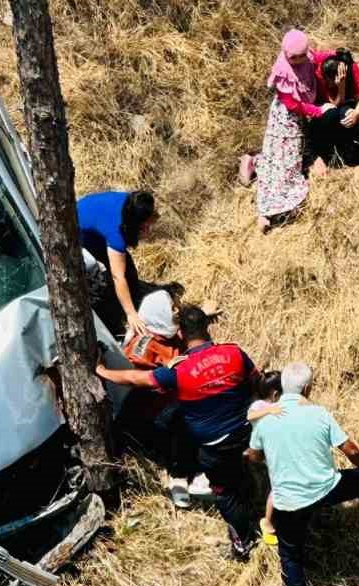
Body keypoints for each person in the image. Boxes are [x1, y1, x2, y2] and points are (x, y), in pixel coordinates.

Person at [97, 305, 260, 557]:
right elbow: (255, 380)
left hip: (213, 447)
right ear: (207, 327)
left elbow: (136, 379)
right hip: (246, 434)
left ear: (181, 334)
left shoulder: (180, 371)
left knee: (226, 495)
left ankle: (243, 542)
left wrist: (102, 371)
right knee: (240, 476)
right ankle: (250, 498)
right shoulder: (234, 352)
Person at [245, 363, 359, 586]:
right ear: (307, 388)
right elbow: (349, 449)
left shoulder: (265, 420)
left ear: (282, 387)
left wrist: (269, 456)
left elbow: (253, 456)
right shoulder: (318, 413)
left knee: (290, 552)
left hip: (288, 502)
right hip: (327, 489)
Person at [240, 29, 329, 233]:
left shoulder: (306, 56)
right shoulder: (283, 72)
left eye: (301, 55)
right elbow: (293, 105)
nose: (298, 60)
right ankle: (265, 212)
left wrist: (338, 56)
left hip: (297, 121)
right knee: (281, 164)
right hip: (286, 121)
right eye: (293, 57)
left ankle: (253, 162)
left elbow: (317, 57)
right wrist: (317, 111)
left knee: (284, 161)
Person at [77, 188, 158, 336]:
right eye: (144, 226)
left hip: (90, 218)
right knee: (118, 275)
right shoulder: (115, 234)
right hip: (80, 235)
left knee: (128, 269)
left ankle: (134, 296)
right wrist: (131, 314)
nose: (148, 230)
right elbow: (118, 277)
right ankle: (118, 316)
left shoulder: (133, 202)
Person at [305, 46, 359, 180]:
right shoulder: (319, 71)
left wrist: (356, 113)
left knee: (347, 115)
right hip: (325, 108)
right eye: (327, 81)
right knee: (333, 114)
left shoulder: (352, 69)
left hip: (344, 105)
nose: (329, 85)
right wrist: (341, 88)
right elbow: (334, 105)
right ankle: (318, 157)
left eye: (330, 83)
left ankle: (358, 162)